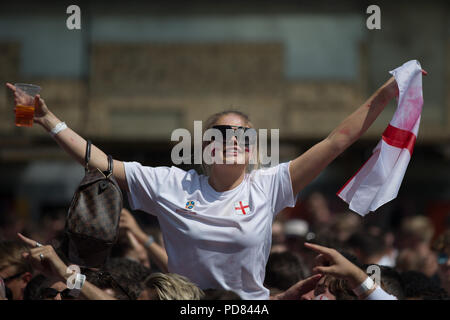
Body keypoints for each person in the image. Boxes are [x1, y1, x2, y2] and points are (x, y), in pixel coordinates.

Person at [5, 72, 423, 299]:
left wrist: (386, 91)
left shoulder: (270, 184)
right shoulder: (170, 183)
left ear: (252, 148)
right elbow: (101, 161)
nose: (231, 142)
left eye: (241, 135)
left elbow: (338, 141)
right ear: (205, 147)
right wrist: (46, 119)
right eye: (220, 134)